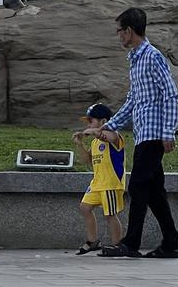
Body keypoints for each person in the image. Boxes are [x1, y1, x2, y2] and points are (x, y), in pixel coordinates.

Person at [94, 7, 178, 258]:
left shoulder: (153, 57)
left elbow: (170, 94)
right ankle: (171, 242)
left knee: (137, 185)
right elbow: (133, 101)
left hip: (154, 135)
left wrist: (168, 132)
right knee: (155, 192)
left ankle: (130, 243)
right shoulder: (135, 60)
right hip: (143, 134)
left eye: (119, 31)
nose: (119, 36)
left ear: (129, 31)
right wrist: (110, 125)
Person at [72, 103, 126, 255]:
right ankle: (93, 240)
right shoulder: (95, 142)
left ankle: (118, 245)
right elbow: (87, 160)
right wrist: (80, 144)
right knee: (85, 207)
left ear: (103, 121)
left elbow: (108, 136)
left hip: (110, 183)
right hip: (97, 183)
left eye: (91, 121)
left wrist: (92, 131)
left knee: (110, 214)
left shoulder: (115, 136)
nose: (88, 125)